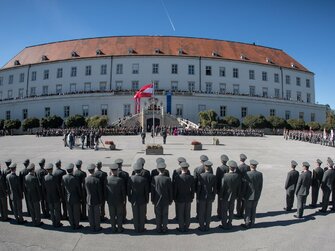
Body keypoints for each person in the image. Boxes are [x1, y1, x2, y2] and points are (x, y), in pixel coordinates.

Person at [151, 162, 173, 233]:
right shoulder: (168, 179)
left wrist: (152, 199)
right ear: (164, 170)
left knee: (158, 214)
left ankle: (158, 228)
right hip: (166, 199)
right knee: (165, 214)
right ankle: (164, 228)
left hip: (156, 200)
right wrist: (170, 200)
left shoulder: (155, 178)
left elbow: (153, 190)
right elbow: (170, 190)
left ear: (158, 170)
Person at [173, 162, 195, 232]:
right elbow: (192, 189)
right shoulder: (191, 177)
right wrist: (192, 197)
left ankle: (181, 227)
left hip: (180, 198)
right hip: (188, 198)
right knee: (187, 213)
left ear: (181, 168)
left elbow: (175, 189)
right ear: (187, 169)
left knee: (180, 214)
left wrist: (175, 198)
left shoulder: (177, 178)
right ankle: (187, 227)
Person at [128, 163, 149, 233]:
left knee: (135, 214)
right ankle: (142, 228)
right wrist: (147, 199)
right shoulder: (144, 179)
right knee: (142, 215)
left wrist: (130, 198)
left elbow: (129, 190)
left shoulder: (131, 178)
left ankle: (136, 228)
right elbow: (146, 191)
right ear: (141, 171)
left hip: (133, 199)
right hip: (142, 199)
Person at [220, 160, 241, 229]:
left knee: (224, 210)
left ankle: (224, 224)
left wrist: (220, 196)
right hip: (233, 196)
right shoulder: (237, 176)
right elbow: (238, 187)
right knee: (231, 210)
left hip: (225, 196)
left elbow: (223, 187)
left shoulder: (225, 176)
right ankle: (230, 223)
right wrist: (237, 195)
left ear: (229, 167)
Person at [242, 160, 263, 228]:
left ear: (250, 166)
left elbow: (245, 186)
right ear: (256, 166)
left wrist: (243, 195)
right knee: (254, 209)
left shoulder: (247, 174)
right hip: (256, 195)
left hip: (248, 195)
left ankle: (247, 223)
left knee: (247, 209)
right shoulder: (260, 174)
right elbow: (260, 186)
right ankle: (252, 222)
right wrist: (259, 194)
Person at [197, 160, 216, 232]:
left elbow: (199, 187)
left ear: (205, 167)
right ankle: (207, 226)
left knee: (201, 212)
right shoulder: (213, 176)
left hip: (202, 196)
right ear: (210, 168)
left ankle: (201, 226)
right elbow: (214, 189)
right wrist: (214, 197)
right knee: (208, 212)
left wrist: (198, 197)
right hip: (210, 196)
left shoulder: (201, 176)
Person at [106, 163, 126, 233]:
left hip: (110, 200)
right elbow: (123, 191)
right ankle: (120, 228)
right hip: (119, 200)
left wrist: (106, 199)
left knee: (112, 215)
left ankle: (113, 228)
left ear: (110, 171)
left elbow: (105, 190)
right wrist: (124, 200)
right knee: (119, 215)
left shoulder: (107, 179)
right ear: (117, 170)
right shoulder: (120, 180)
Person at [62, 163, 82, 230]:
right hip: (75, 197)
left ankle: (72, 225)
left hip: (67, 197)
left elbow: (63, 188)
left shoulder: (64, 177)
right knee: (76, 213)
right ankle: (76, 225)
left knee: (70, 212)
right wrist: (80, 197)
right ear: (72, 170)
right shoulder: (75, 178)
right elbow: (79, 189)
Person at [44, 163, 62, 227]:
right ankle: (57, 223)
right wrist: (60, 196)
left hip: (49, 197)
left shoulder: (45, 178)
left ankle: (53, 222)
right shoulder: (54, 177)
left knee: (51, 211)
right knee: (57, 210)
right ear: (52, 169)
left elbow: (44, 189)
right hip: (56, 196)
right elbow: (58, 188)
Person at [85, 163, 102, 231]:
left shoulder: (86, 179)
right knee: (97, 214)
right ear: (94, 170)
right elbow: (99, 192)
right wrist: (100, 200)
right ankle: (97, 227)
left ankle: (92, 226)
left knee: (90, 214)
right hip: (96, 199)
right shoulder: (97, 180)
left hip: (89, 199)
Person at [236, 153, 250, 219]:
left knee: (239, 200)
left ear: (240, 159)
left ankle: (238, 213)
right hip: (246, 185)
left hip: (240, 185)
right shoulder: (248, 167)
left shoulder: (239, 167)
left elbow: (237, 177)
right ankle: (242, 212)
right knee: (244, 200)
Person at [216, 154, 229, 218]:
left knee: (220, 202)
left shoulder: (219, 168)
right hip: (227, 188)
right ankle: (225, 213)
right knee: (226, 201)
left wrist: (216, 189)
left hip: (220, 187)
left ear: (221, 161)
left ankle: (219, 214)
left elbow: (217, 179)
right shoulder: (228, 168)